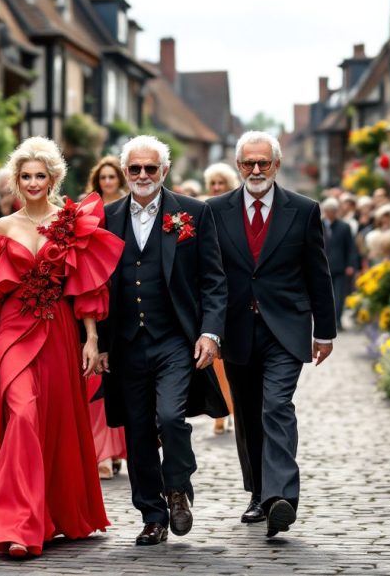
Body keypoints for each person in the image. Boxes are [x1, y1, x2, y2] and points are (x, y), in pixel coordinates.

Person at [0, 136, 123, 558]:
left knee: (52, 418)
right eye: (26, 176)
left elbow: (85, 284)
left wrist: (91, 338)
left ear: (53, 179)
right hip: (12, 328)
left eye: (40, 176)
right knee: (23, 413)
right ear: (17, 179)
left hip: (59, 329)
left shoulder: (70, 221)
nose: (33, 183)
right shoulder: (3, 226)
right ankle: (18, 523)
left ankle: (46, 515)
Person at [95, 135, 228, 546]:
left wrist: (210, 332)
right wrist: (98, 343)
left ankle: (177, 489)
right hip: (126, 342)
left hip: (175, 339)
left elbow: (213, 279)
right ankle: (152, 516)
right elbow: (95, 285)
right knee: (137, 432)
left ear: (164, 171)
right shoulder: (106, 217)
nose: (142, 175)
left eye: (150, 168)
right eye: (134, 168)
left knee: (170, 418)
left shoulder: (193, 212)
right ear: (125, 172)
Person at [205, 131, 336, 538]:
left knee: (276, 406)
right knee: (247, 412)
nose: (256, 169)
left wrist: (325, 331)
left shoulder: (303, 209)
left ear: (276, 165)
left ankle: (281, 496)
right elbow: (208, 275)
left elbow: (318, 273)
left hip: (286, 327)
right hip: (236, 327)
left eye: (264, 162)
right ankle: (259, 493)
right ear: (239, 165)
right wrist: (207, 328)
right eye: (249, 163)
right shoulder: (215, 211)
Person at [83, 154, 129, 479]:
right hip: (97, 292)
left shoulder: (129, 209)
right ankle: (101, 450)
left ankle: (117, 449)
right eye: (104, 177)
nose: (108, 182)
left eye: (113, 177)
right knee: (96, 380)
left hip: (123, 295)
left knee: (121, 377)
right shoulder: (88, 210)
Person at [203, 163, 240, 435]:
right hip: (210, 293)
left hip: (234, 292)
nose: (216, 188)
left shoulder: (235, 211)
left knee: (232, 361)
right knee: (214, 360)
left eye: (221, 183)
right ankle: (220, 412)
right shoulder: (200, 210)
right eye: (213, 183)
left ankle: (236, 408)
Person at [321, 198, 358, 331]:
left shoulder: (344, 227)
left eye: (333, 211)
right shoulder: (317, 225)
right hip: (321, 267)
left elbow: (351, 247)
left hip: (340, 267)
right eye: (328, 210)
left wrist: (351, 265)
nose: (330, 213)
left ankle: (337, 321)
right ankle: (325, 321)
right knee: (323, 296)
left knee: (339, 296)